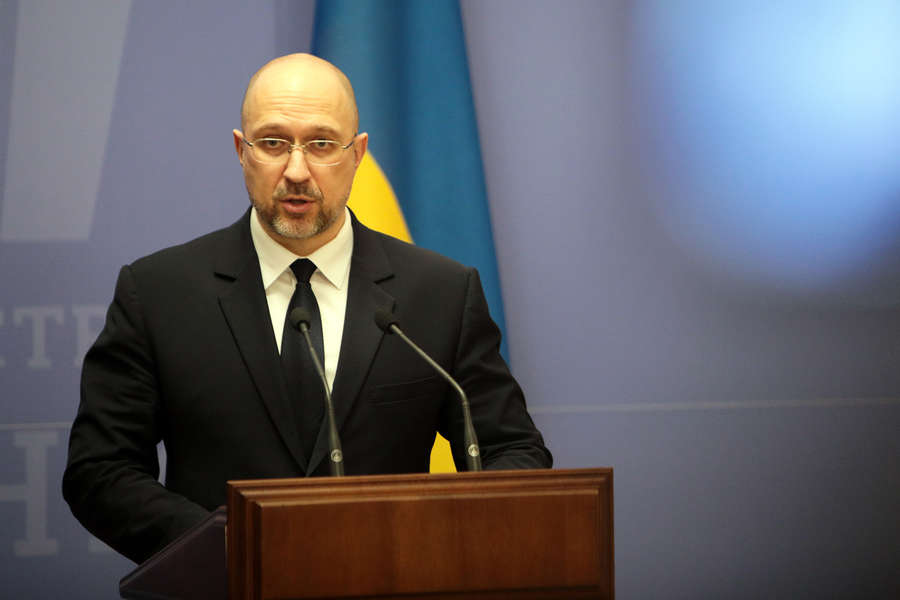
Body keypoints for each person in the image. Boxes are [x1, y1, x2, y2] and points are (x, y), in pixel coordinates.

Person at [63, 53, 551, 564]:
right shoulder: (159, 292)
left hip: (393, 580)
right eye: (273, 143)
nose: (297, 171)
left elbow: (514, 452)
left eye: (321, 144)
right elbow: (101, 470)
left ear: (357, 154)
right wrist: (225, 546)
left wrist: (424, 539)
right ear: (242, 151)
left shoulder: (440, 293)